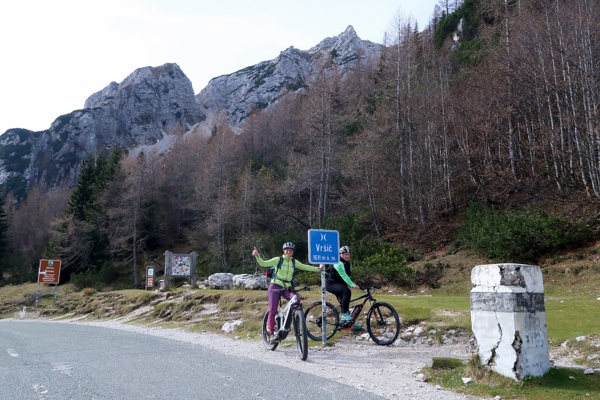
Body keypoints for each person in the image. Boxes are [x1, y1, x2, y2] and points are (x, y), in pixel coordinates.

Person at [252, 242, 322, 338]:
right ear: (284, 251)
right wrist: (257, 256)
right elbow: (263, 263)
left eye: (290, 250)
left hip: (287, 287)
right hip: (275, 286)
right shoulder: (278, 260)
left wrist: (319, 269)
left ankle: (294, 320)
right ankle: (271, 331)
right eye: (286, 250)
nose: (288, 252)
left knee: (296, 299)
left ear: (293, 252)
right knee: (273, 309)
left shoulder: (294, 262)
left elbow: (305, 267)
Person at [326, 245, 361, 330]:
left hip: (340, 284)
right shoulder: (338, 263)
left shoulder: (348, 264)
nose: (347, 256)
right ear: (340, 254)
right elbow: (343, 275)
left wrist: (353, 284)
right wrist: (352, 284)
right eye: (345, 254)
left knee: (345, 303)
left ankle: (348, 325)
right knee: (347, 292)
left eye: (348, 254)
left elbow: (346, 277)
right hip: (331, 284)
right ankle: (345, 316)